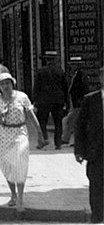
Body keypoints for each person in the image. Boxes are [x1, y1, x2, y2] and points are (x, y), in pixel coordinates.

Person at [0, 72, 46, 214]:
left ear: (12, 83)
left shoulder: (22, 97)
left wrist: (39, 133)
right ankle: (13, 194)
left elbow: (31, 115)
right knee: (6, 165)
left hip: (20, 133)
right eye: (2, 84)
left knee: (20, 164)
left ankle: (20, 198)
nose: (5, 86)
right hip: (3, 134)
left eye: (7, 83)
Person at [75, 64, 103, 224]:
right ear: (100, 79)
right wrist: (79, 151)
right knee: (96, 186)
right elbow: (80, 127)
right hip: (96, 152)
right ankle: (97, 217)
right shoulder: (90, 100)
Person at [33, 52, 70, 150]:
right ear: (55, 60)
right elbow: (65, 88)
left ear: (47, 60)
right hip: (58, 101)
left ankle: (44, 140)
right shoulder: (60, 71)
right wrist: (67, 102)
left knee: (42, 122)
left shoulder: (41, 71)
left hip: (43, 101)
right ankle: (58, 143)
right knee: (58, 123)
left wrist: (35, 100)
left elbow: (36, 87)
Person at [62, 68, 89, 146]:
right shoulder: (78, 77)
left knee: (72, 122)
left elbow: (77, 91)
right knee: (72, 122)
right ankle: (69, 139)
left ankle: (68, 139)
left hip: (77, 105)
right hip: (75, 105)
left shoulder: (79, 77)